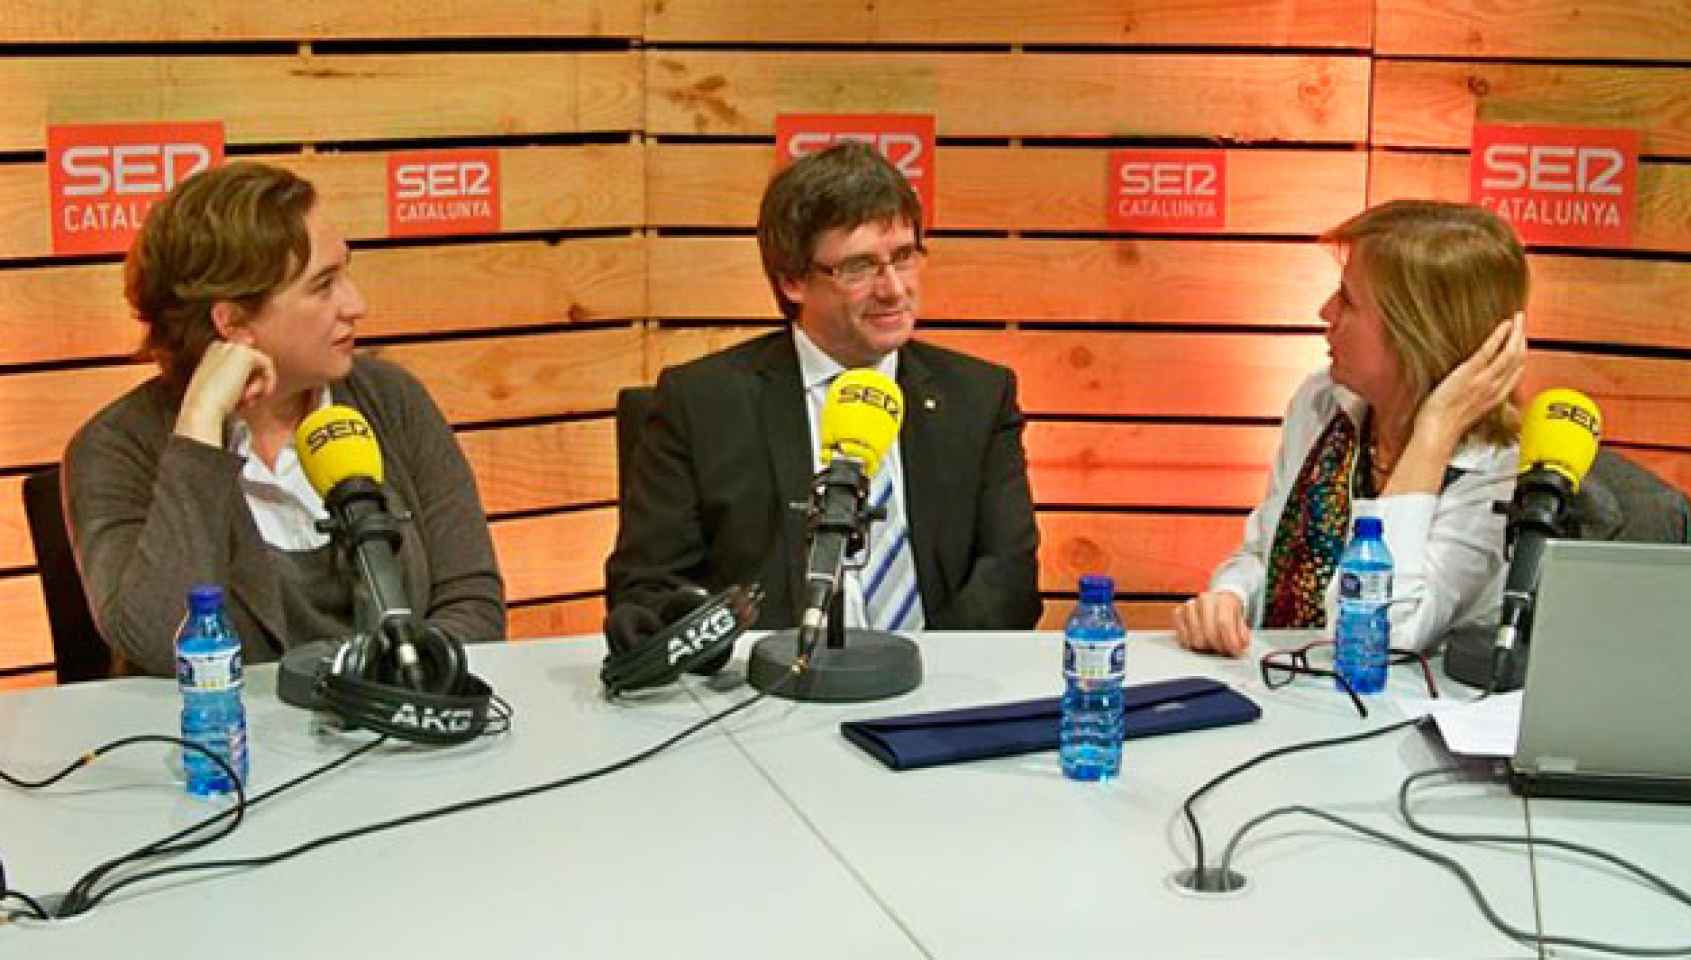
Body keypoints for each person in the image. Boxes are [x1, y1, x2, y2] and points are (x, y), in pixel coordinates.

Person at [64, 161, 504, 677]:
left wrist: (391, 693)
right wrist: (201, 429)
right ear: (233, 322)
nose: (355, 305)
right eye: (323, 286)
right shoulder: (117, 447)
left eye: (345, 273)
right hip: (231, 747)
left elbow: (472, 600)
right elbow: (163, 646)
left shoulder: (391, 398)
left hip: (400, 733)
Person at [606, 142, 1041, 641]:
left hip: (933, 691)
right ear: (793, 280)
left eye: (903, 257)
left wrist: (928, 678)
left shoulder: (979, 398)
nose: (894, 289)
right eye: (859, 268)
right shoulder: (702, 405)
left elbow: (1010, 578)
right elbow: (646, 589)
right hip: (766, 696)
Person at [1174, 199, 1527, 658]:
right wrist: (1229, 597)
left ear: (1415, 334)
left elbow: (1382, 635)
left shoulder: (1497, 468)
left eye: (1349, 300)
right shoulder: (1322, 404)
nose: (1326, 312)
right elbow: (1265, 555)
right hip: (1277, 686)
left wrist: (1433, 433)